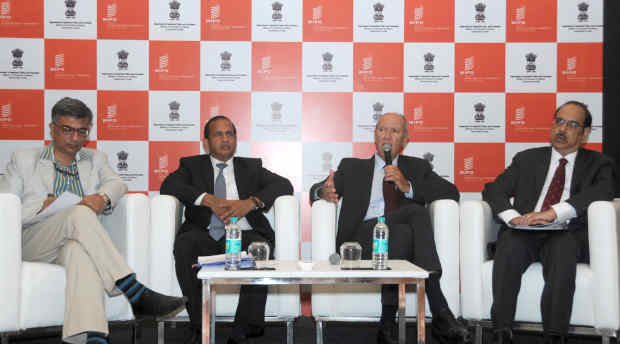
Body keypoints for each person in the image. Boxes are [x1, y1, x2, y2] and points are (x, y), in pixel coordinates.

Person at [0, 97, 186, 344]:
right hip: (32, 240)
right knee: (80, 213)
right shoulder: (24, 159)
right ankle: (133, 290)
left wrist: (103, 197)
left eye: (82, 131)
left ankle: (92, 337)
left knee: (79, 252)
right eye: (67, 130)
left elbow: (118, 183)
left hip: (73, 239)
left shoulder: (94, 158)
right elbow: (5, 206)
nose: (75, 138)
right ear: (52, 128)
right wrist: (40, 207)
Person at [310, 112, 470, 344]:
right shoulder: (352, 166)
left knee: (401, 235)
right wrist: (321, 192)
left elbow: (451, 191)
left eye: (394, 131)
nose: (387, 135)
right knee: (415, 212)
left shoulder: (417, 167)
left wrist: (409, 187)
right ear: (375, 137)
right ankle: (440, 309)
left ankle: (387, 324)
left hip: (397, 241)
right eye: (382, 129)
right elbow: (318, 187)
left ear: (404, 140)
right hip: (360, 240)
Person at [482, 101, 616, 344]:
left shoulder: (599, 164)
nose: (562, 129)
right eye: (559, 121)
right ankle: (501, 331)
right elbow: (493, 190)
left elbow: (604, 191)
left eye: (572, 124)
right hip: (524, 229)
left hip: (567, 231)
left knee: (563, 252)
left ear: (585, 133)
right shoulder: (527, 159)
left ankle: (555, 335)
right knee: (509, 246)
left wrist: (555, 213)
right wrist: (513, 218)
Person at [160, 115, 294, 344]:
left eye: (229, 134)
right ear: (206, 142)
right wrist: (206, 199)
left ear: (236, 139)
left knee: (259, 249)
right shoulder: (191, 165)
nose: (225, 139)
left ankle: (244, 329)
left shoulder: (251, 167)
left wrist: (250, 202)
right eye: (218, 134)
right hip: (204, 231)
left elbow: (284, 185)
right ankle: (197, 325)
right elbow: (168, 185)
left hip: (243, 232)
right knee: (185, 244)